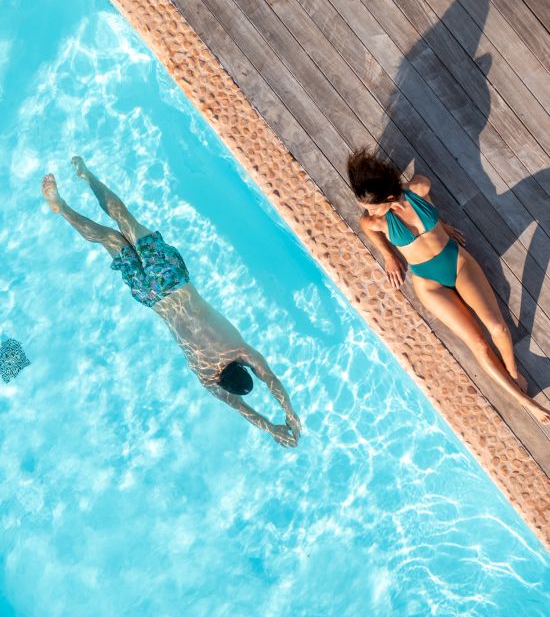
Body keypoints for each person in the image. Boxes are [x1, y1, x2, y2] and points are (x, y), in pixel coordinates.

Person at [42, 157, 301, 447]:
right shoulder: (206, 378)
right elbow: (242, 409)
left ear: (242, 367)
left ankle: (87, 176)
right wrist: (272, 428)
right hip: (152, 297)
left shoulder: (239, 349)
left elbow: (269, 378)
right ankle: (62, 208)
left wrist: (290, 413)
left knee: (124, 220)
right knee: (107, 238)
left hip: (172, 280)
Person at [347, 148, 550, 425]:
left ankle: (513, 373)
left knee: (498, 328)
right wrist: (389, 256)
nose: (368, 212)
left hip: (456, 262)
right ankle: (525, 402)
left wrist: (440, 224)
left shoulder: (417, 189)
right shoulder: (376, 221)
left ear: (388, 195)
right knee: (478, 344)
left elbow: (421, 183)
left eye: (372, 205)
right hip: (429, 283)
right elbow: (368, 229)